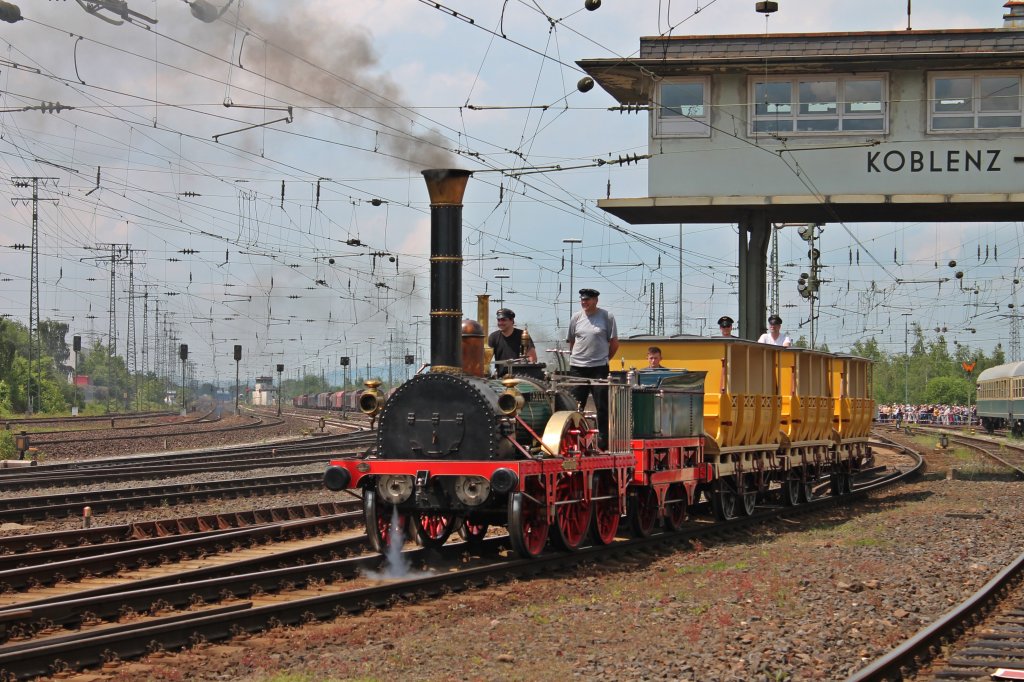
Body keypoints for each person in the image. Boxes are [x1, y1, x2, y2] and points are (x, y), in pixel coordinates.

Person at [567, 288, 618, 449]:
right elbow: (572, 342)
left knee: (602, 405)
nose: (584, 302)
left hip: (599, 367)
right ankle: (573, 440)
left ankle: (604, 439)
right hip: (578, 367)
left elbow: (614, 343)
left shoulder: (607, 317)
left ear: (596, 300)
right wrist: (577, 357)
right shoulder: (576, 318)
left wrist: (604, 359)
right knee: (574, 405)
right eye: (582, 300)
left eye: (587, 300)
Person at [488, 307, 537, 376]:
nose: (500, 322)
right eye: (499, 320)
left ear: (512, 321)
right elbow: (486, 358)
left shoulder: (523, 335)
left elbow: (532, 358)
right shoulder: (493, 337)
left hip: (521, 377)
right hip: (501, 378)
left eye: (503, 320)